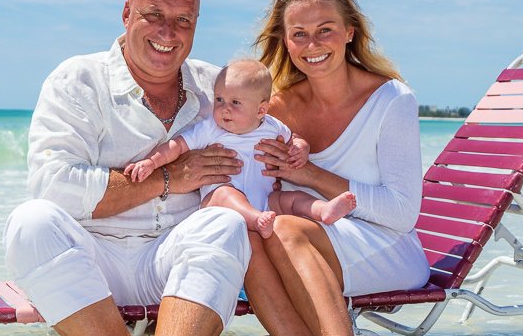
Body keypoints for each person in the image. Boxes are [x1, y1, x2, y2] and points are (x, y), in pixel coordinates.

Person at [2, 0, 251, 336]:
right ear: (126, 13)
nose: (167, 32)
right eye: (153, 14)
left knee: (226, 225)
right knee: (31, 222)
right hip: (94, 262)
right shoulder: (77, 79)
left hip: (173, 260)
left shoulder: (215, 87)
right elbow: (52, 185)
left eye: (183, 21)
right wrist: (171, 178)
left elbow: (268, 128)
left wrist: (296, 156)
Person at [243, 0, 431, 336]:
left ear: (350, 32)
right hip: (306, 240)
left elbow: (402, 214)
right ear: (286, 42)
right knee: (260, 233)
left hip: (388, 246)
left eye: (325, 29)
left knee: (284, 229)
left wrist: (309, 174)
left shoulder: (391, 100)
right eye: (299, 34)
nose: (313, 43)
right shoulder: (274, 107)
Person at [123, 58, 357, 238]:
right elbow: (176, 145)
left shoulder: (272, 126)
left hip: (266, 200)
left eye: (235, 103)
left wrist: (300, 148)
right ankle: (255, 220)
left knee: (293, 198)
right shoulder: (211, 128)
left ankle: (323, 210)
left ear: (261, 110)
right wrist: (151, 162)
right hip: (220, 202)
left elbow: (294, 138)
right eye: (219, 100)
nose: (224, 109)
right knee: (226, 193)